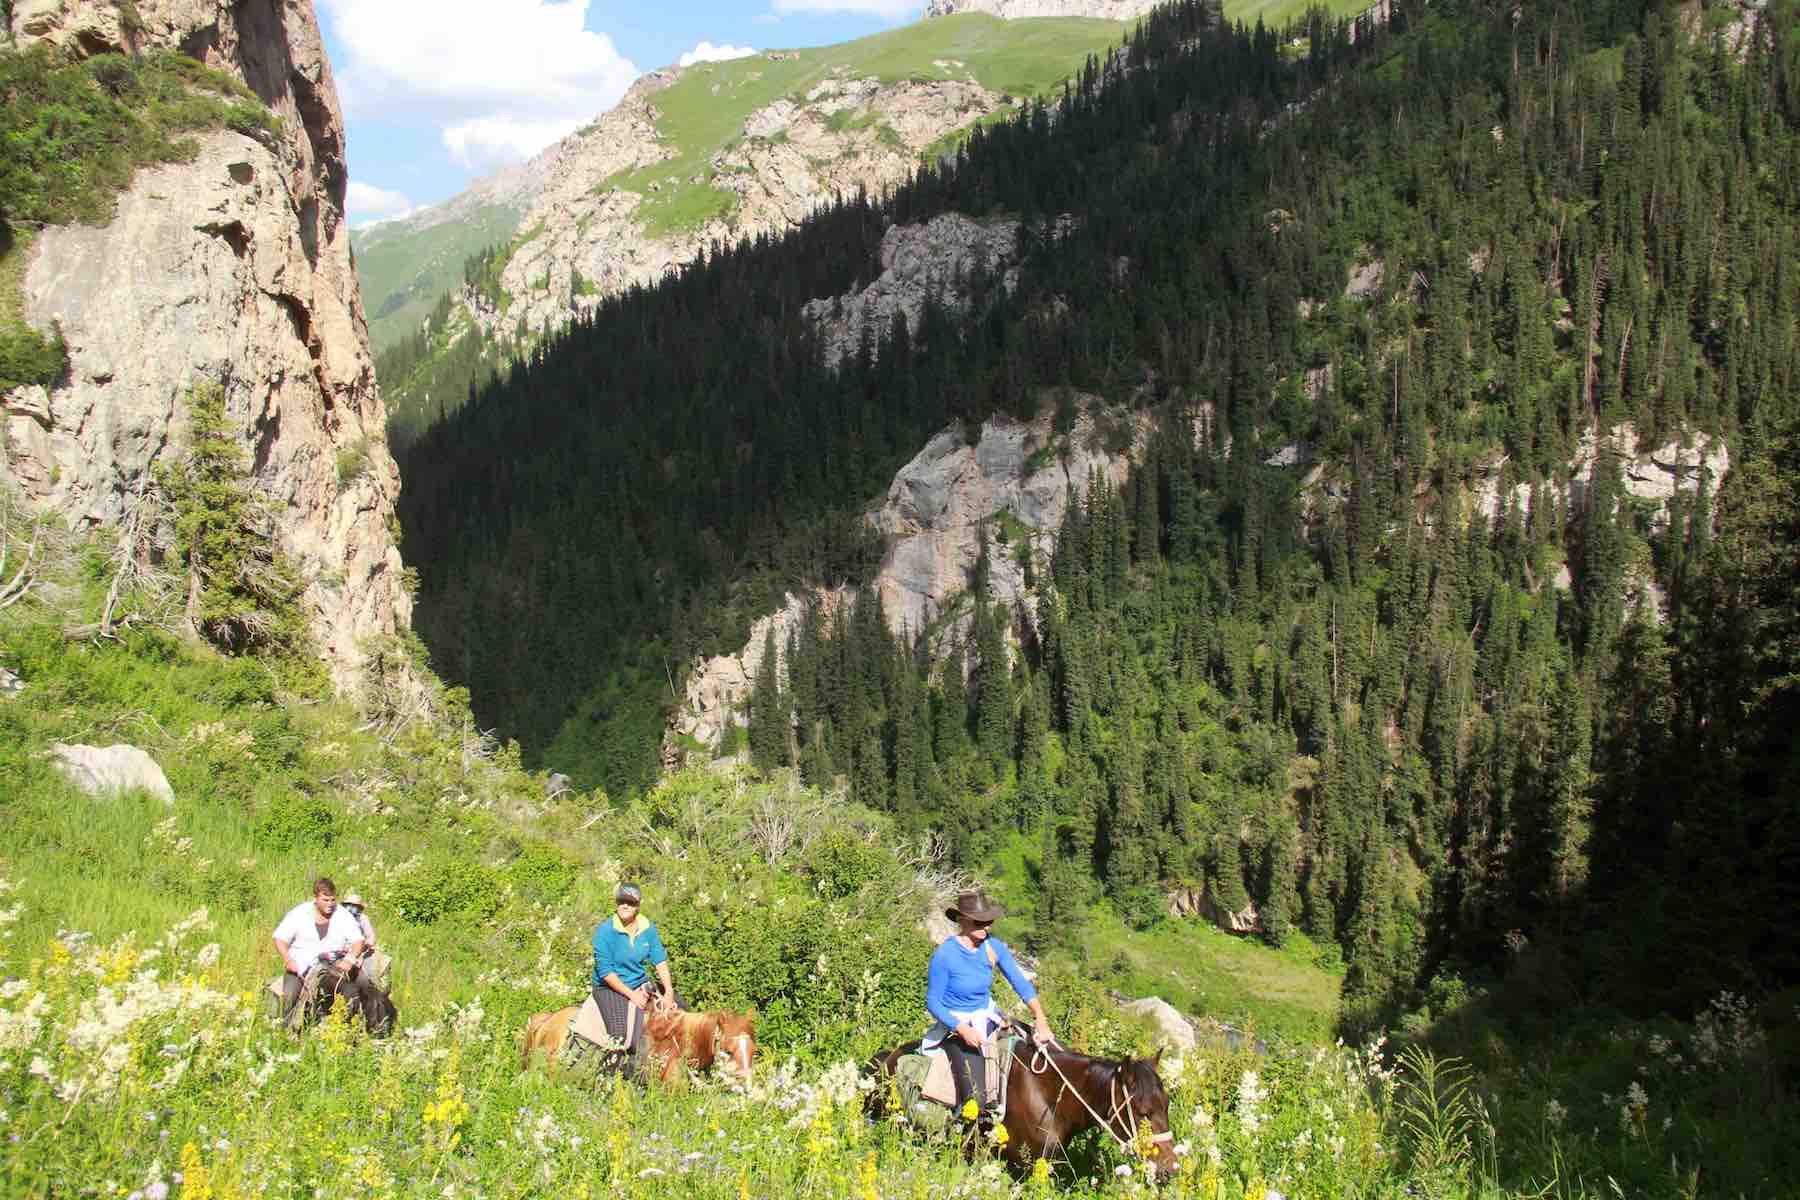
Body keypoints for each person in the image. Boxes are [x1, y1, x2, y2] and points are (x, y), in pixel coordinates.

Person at [922, 888, 1054, 1129]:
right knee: (976, 1098)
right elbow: (933, 1002)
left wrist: (1040, 1017)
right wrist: (962, 1029)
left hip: (988, 1017)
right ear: (963, 920)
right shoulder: (945, 955)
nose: (986, 927)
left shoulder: (993, 947)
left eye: (989, 922)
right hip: (956, 1025)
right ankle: (958, 1132)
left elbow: (1020, 982)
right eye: (980, 922)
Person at [590, 883, 676, 1074]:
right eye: (621, 901)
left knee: (680, 1010)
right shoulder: (605, 932)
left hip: (639, 982)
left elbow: (659, 961)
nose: (625, 905)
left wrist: (668, 992)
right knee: (620, 1034)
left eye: (630, 902)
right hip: (609, 988)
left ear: (638, 905)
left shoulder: (647, 928)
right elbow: (606, 973)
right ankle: (609, 1077)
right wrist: (632, 996)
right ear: (616, 903)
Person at [272, 876, 366, 1026]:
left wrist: (350, 958)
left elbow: (358, 940)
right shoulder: (299, 913)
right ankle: (284, 1031)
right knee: (289, 995)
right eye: (325, 900)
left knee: (357, 990)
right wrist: (288, 959)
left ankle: (348, 1031)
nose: (330, 904)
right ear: (315, 898)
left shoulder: (343, 915)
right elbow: (279, 938)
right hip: (302, 967)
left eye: (332, 900)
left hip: (333, 968)